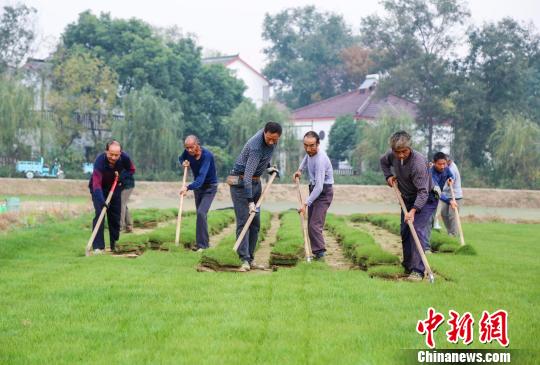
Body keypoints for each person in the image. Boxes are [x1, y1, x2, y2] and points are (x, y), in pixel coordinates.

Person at [380, 131, 438, 281]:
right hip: (406, 198)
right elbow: (383, 161)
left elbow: (423, 192)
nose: (400, 155)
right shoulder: (392, 155)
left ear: (410, 148)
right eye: (397, 152)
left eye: (404, 151)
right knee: (405, 231)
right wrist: (388, 176)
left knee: (416, 230)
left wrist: (413, 211)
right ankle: (407, 265)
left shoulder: (418, 163)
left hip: (426, 199)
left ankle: (418, 271)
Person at [228, 122, 281, 271]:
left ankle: (250, 258)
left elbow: (265, 156)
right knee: (244, 221)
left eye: (274, 140)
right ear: (264, 132)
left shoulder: (272, 141)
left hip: (256, 183)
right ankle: (243, 259)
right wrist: (250, 201)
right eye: (269, 138)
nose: (271, 142)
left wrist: (269, 167)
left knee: (255, 224)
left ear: (278, 137)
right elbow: (247, 176)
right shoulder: (255, 147)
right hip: (240, 183)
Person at [89, 140, 136, 254]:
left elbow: (131, 170)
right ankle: (98, 247)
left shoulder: (124, 158)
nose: (113, 157)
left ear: (120, 153)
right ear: (106, 152)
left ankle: (115, 244)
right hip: (98, 189)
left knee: (115, 216)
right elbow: (96, 184)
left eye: (116, 155)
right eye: (111, 154)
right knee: (100, 214)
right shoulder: (99, 161)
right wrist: (101, 201)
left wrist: (122, 177)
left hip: (115, 188)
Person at [293, 131, 334, 261]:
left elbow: (319, 187)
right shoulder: (309, 153)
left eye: (312, 146)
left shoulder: (321, 159)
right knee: (311, 223)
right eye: (306, 145)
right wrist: (300, 170)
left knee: (314, 225)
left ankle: (320, 255)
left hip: (323, 192)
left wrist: (305, 204)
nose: (308, 149)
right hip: (314, 189)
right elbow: (306, 158)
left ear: (318, 144)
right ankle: (317, 253)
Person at [179, 135, 218, 251]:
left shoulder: (207, 156)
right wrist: (183, 163)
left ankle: (203, 246)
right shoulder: (187, 153)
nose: (189, 150)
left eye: (192, 147)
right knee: (200, 216)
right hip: (198, 188)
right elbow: (181, 158)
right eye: (187, 148)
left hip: (209, 187)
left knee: (201, 213)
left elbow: (201, 178)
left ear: (197, 144)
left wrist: (187, 187)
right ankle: (202, 244)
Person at [427, 152, 455, 248]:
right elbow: (437, 191)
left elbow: (451, 175)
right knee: (427, 222)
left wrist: (450, 179)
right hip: (427, 199)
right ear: (434, 163)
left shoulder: (446, 169)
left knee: (431, 222)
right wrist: (449, 201)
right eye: (440, 164)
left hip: (435, 200)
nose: (442, 166)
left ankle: (426, 244)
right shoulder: (430, 173)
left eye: (444, 164)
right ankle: (426, 247)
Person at [441, 157, 463, 236]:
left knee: (452, 215)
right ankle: (449, 231)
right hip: (446, 196)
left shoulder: (452, 169)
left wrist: (440, 189)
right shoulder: (446, 167)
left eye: (445, 162)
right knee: (443, 213)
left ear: (449, 161)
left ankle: (453, 233)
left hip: (455, 196)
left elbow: (449, 183)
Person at [120, 168, 135, 233]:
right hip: (125, 186)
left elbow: (121, 177)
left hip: (128, 186)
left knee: (121, 204)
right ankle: (129, 226)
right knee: (124, 205)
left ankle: (120, 227)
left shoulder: (122, 162)